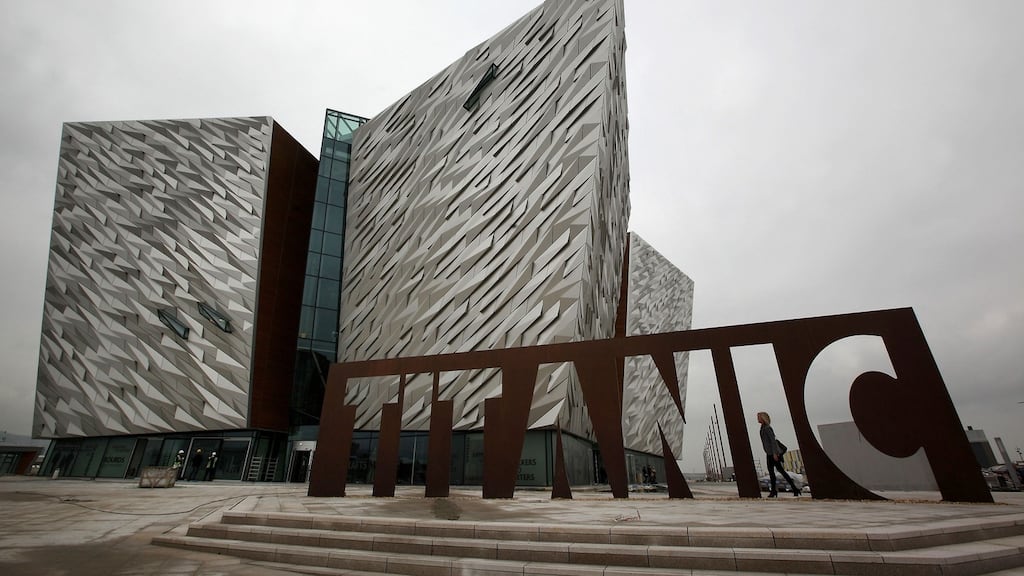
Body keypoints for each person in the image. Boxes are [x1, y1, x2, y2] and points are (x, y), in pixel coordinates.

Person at [757, 411, 801, 497]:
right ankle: (782, 490)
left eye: (758, 417)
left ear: (763, 418)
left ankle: (777, 491)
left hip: (772, 454)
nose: (757, 418)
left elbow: (773, 441)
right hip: (769, 453)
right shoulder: (763, 428)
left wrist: (775, 453)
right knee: (775, 472)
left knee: (778, 472)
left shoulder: (767, 428)